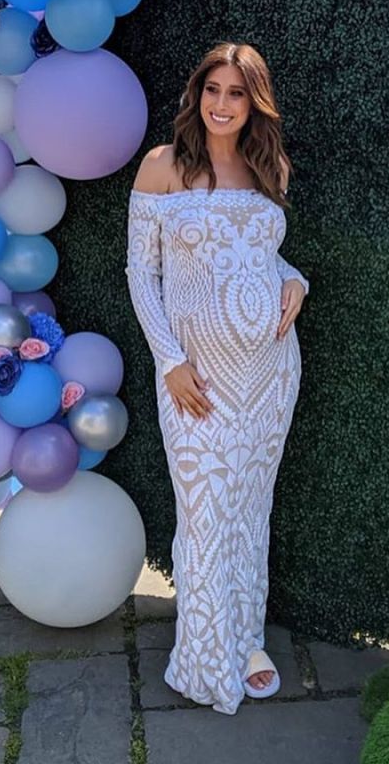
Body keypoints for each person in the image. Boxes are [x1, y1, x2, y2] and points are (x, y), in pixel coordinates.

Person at [125, 42, 309, 715]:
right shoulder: (162, 167)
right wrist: (169, 363)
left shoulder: (268, 167)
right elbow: (141, 274)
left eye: (237, 93)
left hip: (270, 375)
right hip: (195, 380)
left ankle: (246, 638)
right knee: (204, 516)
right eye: (214, 90)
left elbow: (266, 254)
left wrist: (296, 279)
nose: (223, 105)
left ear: (254, 102)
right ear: (196, 93)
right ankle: (206, 659)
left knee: (247, 513)